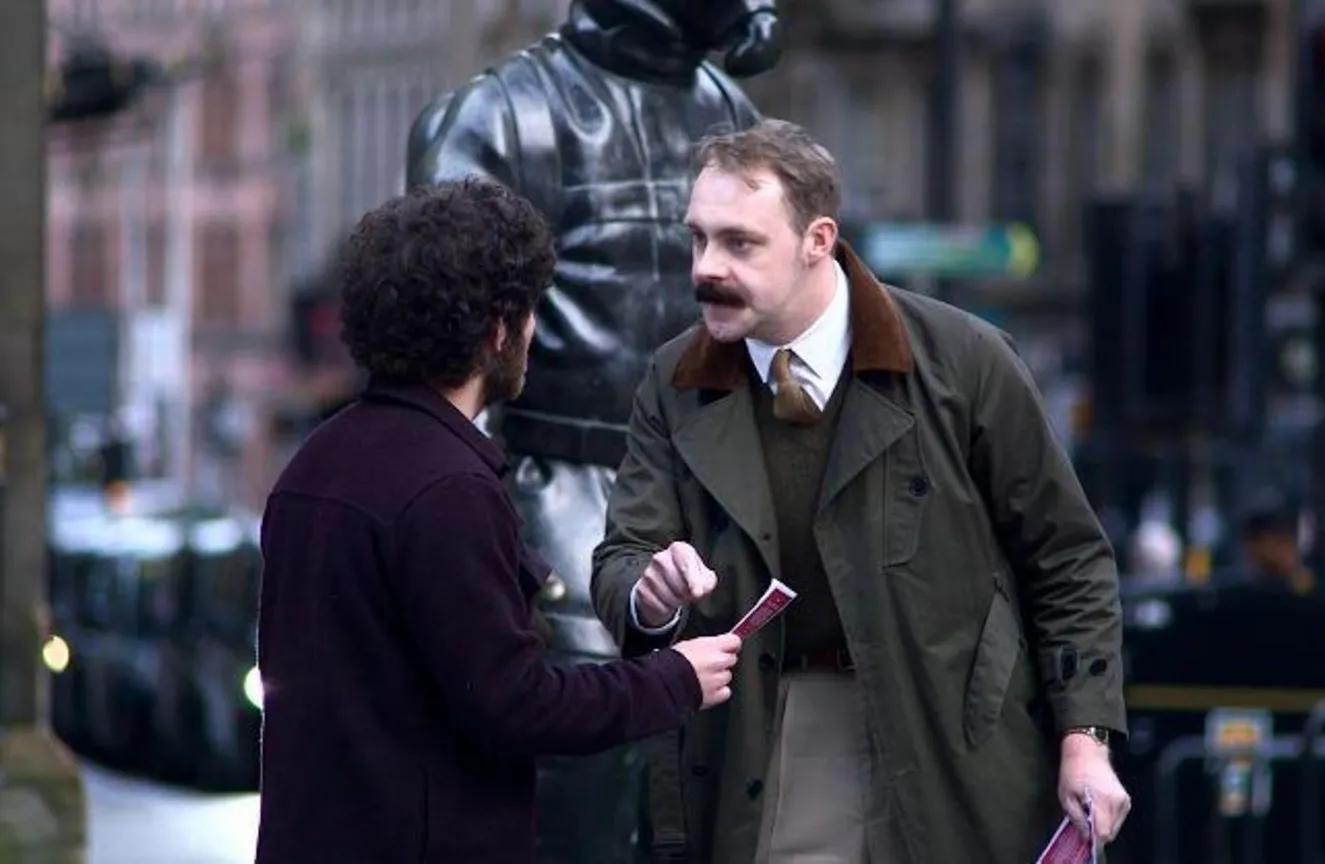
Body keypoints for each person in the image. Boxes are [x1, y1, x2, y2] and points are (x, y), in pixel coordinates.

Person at [590, 119, 1131, 863]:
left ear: (818, 240)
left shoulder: (965, 361)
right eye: (697, 239)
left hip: (954, 739)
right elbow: (623, 554)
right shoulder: (675, 379)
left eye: (740, 243)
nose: (706, 267)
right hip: (769, 735)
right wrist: (648, 595)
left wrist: (1085, 739)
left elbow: (1067, 556)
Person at [253, 179, 742, 863]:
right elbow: (512, 702)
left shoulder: (315, 464)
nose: (533, 334)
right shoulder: (448, 488)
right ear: (496, 329)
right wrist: (673, 679)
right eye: (530, 312)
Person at [404, 4, 778, 858]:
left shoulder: (733, 116)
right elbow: (445, 363)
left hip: (712, 517)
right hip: (552, 509)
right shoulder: (501, 118)